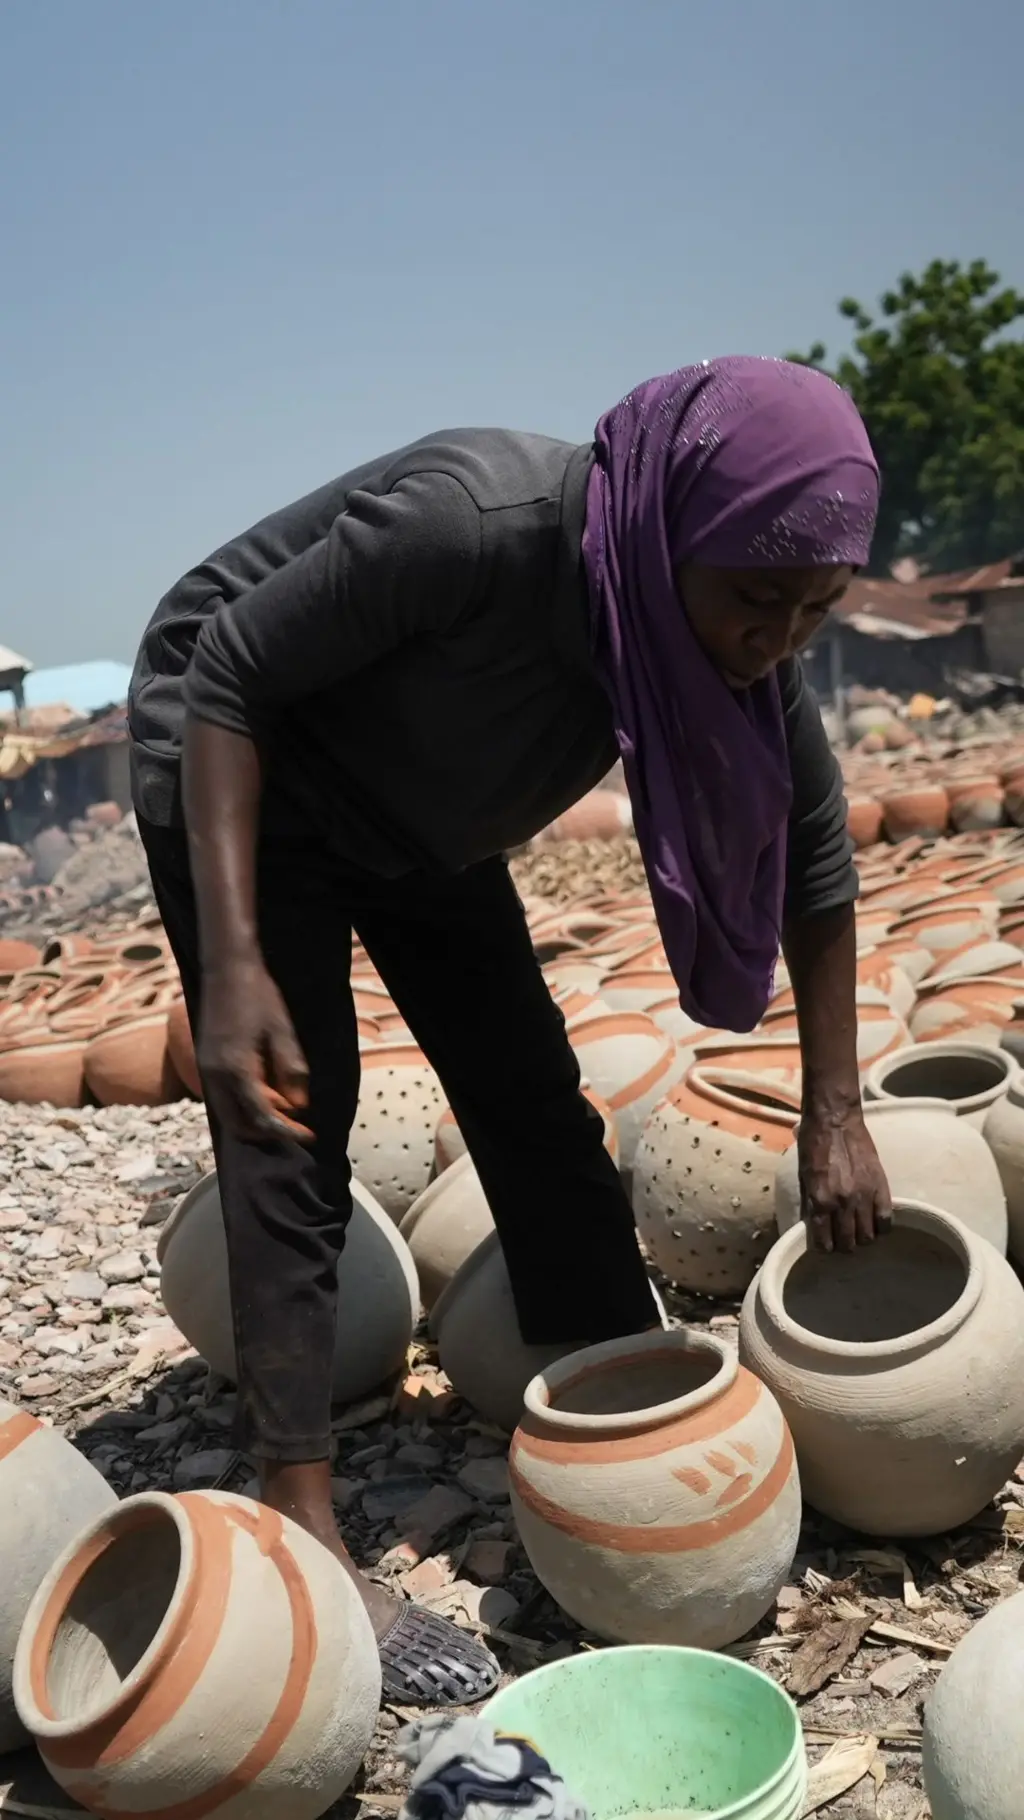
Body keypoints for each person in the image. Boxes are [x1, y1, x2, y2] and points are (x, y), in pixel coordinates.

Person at [128, 354, 892, 1705]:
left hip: (426, 821)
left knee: (534, 1092)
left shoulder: (730, 628)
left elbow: (818, 862)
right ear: (671, 532)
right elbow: (231, 674)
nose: (776, 638)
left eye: (817, 612)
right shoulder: (473, 523)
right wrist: (234, 964)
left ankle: (617, 1388)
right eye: (759, 600)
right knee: (294, 1118)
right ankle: (305, 1514)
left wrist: (840, 1110)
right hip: (249, 762)